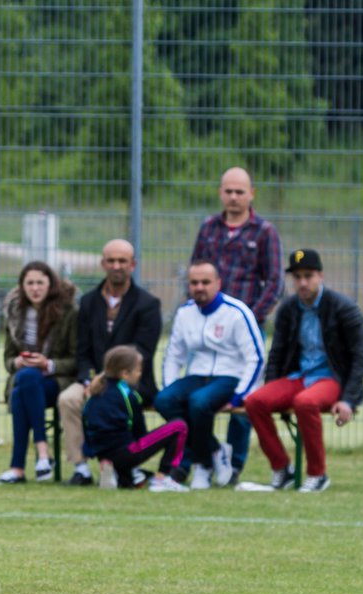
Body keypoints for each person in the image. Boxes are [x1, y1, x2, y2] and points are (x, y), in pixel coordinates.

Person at [244, 249, 363, 493]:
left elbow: (360, 358)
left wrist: (348, 400)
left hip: (332, 378)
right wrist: (271, 386)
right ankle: (282, 469)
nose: (302, 282)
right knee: (255, 401)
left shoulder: (345, 308)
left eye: (308, 276)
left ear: (320, 275)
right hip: (298, 377)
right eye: (297, 277)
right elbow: (277, 353)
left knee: (305, 402)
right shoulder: (288, 309)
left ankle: (317, 474)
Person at [191, 166, 284, 482]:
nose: (233, 197)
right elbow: (195, 272)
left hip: (245, 328)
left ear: (251, 194)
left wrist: (251, 317)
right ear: (220, 193)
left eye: (239, 191)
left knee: (243, 394)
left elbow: (274, 281)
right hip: (207, 326)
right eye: (228, 191)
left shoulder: (264, 232)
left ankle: (234, 464)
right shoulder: (208, 229)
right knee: (199, 390)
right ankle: (209, 455)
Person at [58, 238, 162, 486]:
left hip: (131, 381)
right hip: (92, 378)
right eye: (112, 260)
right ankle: (81, 467)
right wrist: (86, 378)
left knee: (112, 399)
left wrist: (106, 378)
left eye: (122, 261)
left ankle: (119, 465)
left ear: (133, 265)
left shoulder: (148, 304)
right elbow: (82, 351)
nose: (117, 266)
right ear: (103, 263)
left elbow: (143, 351)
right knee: (68, 399)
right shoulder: (89, 302)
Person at [155, 260, 264, 490]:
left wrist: (239, 396)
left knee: (198, 402)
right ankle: (214, 449)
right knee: (164, 400)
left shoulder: (237, 312)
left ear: (218, 283)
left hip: (229, 376)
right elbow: (174, 355)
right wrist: (170, 387)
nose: (200, 287)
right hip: (198, 375)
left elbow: (256, 357)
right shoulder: (185, 313)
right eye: (194, 283)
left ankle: (202, 464)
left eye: (205, 282)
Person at [0, 261, 77, 484]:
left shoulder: (68, 312)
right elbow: (7, 359)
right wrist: (18, 362)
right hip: (26, 380)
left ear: (51, 284)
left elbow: (76, 360)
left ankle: (22, 464)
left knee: (25, 384)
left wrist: (47, 364)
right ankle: (40, 457)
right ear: (22, 286)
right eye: (30, 283)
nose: (35, 288)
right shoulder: (15, 313)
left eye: (40, 282)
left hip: (56, 382)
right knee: (24, 382)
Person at [82, 345, 189, 492]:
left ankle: (116, 472)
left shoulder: (94, 393)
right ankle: (163, 477)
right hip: (126, 451)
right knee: (179, 426)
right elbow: (140, 431)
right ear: (125, 373)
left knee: (131, 482)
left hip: (102, 453)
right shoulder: (127, 394)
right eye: (138, 370)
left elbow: (86, 425)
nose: (140, 374)